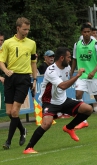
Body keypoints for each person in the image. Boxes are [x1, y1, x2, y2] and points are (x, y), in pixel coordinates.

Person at [23, 47, 93, 154]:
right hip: (49, 102)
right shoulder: (51, 70)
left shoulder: (67, 67)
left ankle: (69, 128)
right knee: (47, 124)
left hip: (63, 100)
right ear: (61, 58)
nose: (70, 59)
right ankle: (28, 148)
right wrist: (77, 75)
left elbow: (65, 82)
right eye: (68, 57)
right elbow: (63, 86)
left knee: (88, 109)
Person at [0, 17, 37, 149]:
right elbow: (1, 61)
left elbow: (33, 62)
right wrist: (5, 71)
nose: (27, 31)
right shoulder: (8, 43)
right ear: (18, 28)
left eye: (28, 29)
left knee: (15, 111)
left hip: (24, 79)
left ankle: (8, 142)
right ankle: (23, 130)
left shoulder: (32, 43)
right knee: (10, 112)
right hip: (11, 78)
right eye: (24, 29)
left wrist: (34, 79)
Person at [70, 23, 97, 129]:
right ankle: (83, 121)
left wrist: (93, 71)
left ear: (91, 33)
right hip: (82, 75)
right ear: (82, 33)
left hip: (93, 76)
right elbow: (75, 59)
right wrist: (71, 72)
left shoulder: (96, 44)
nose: (86, 34)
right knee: (78, 95)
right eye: (84, 32)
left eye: (88, 32)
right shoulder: (77, 45)